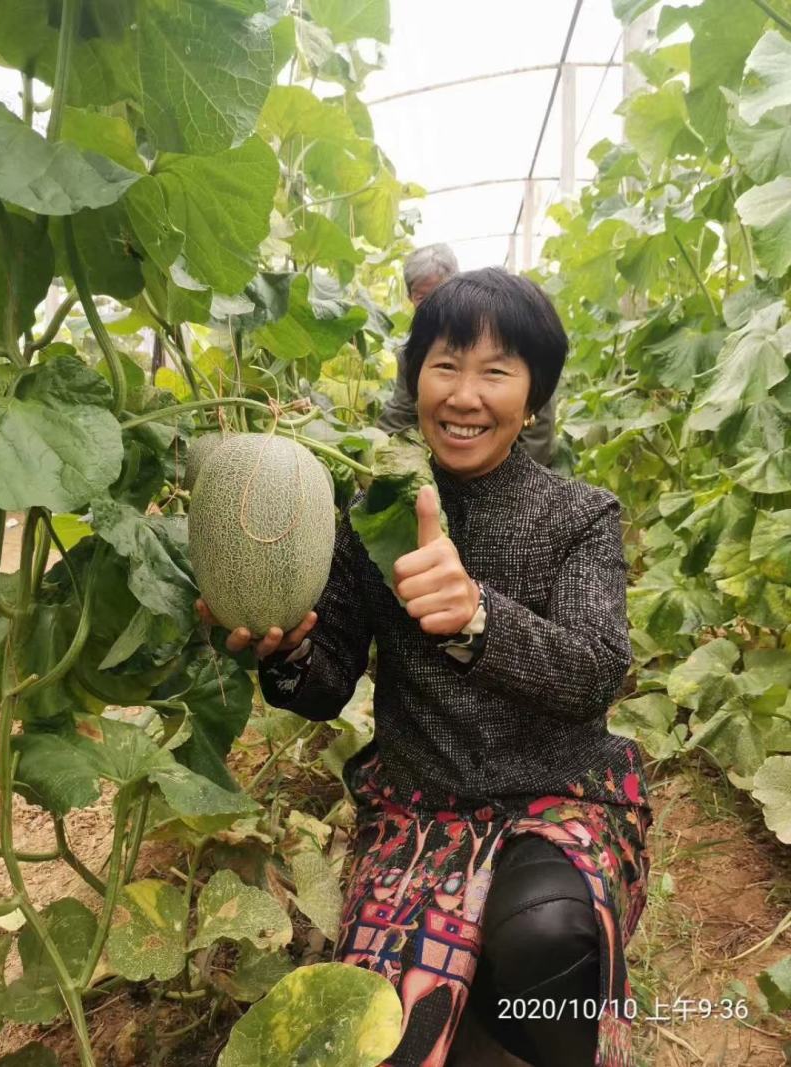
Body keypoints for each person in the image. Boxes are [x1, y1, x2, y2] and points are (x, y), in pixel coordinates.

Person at [198, 268, 652, 1067]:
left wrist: (479, 618)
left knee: (545, 938)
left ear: (534, 396)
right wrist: (287, 649)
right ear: (416, 380)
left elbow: (595, 670)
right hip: (419, 802)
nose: (465, 394)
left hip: (557, 793)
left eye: (496, 370)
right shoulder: (374, 505)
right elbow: (328, 678)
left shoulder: (579, 514)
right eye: (445, 364)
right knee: (385, 1038)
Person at [379, 245, 557, 468]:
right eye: (422, 296)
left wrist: (523, 480)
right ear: (410, 297)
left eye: (494, 371)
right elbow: (401, 412)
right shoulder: (412, 354)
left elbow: (539, 429)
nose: (464, 399)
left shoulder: (509, 331)